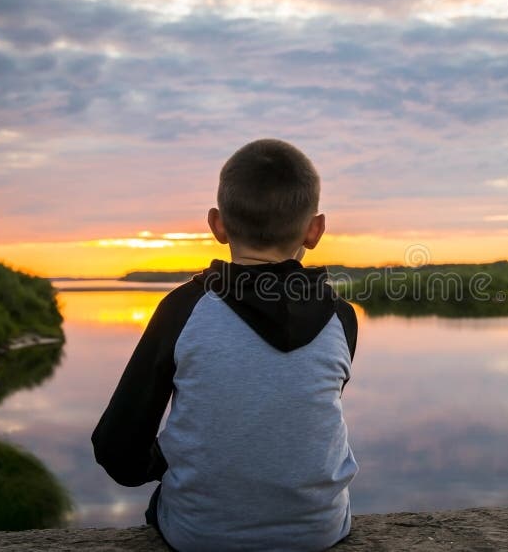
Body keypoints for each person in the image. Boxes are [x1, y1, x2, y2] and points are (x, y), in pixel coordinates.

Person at [91, 139, 359, 551]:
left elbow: (117, 449)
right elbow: (286, 418)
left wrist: (164, 461)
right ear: (314, 230)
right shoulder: (341, 318)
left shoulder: (184, 309)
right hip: (319, 532)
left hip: (200, 536)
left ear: (217, 224)